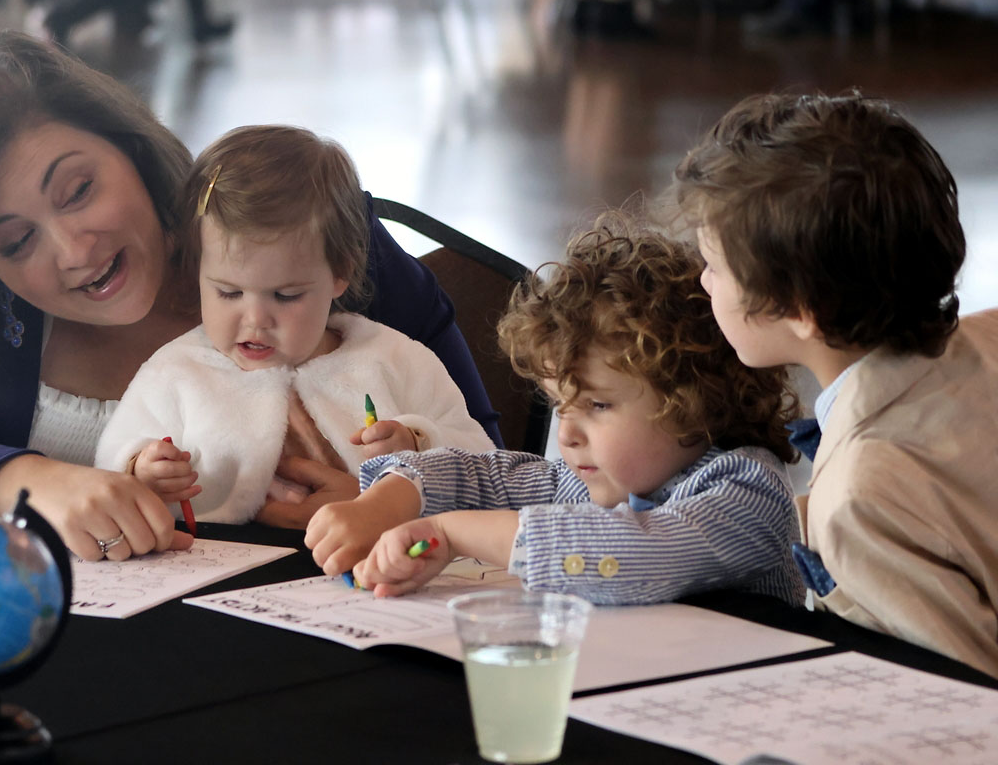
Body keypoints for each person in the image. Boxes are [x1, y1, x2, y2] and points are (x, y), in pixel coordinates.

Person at [0, 30, 500, 562]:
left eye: (79, 190)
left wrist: (387, 498)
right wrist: (35, 482)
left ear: (131, 147)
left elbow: (499, 468)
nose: (75, 249)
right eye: (16, 241)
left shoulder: (300, 233)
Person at [306, 211, 805, 607]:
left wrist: (449, 531)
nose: (566, 435)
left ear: (695, 401)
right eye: (561, 406)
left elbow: (633, 552)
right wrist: (389, 500)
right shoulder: (582, 481)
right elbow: (487, 478)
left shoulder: (747, 493)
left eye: (598, 405)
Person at [675, 91, 998, 678]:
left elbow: (963, 697)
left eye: (715, 266)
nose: (703, 282)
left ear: (801, 310)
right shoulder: (990, 334)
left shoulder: (860, 498)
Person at [94, 125, 494, 523]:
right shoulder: (177, 372)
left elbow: (485, 465)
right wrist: (142, 469)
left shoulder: (392, 357)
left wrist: (418, 443)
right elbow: (112, 465)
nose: (255, 320)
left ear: (339, 273)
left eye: (285, 296)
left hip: (382, 554)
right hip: (221, 559)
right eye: (229, 292)